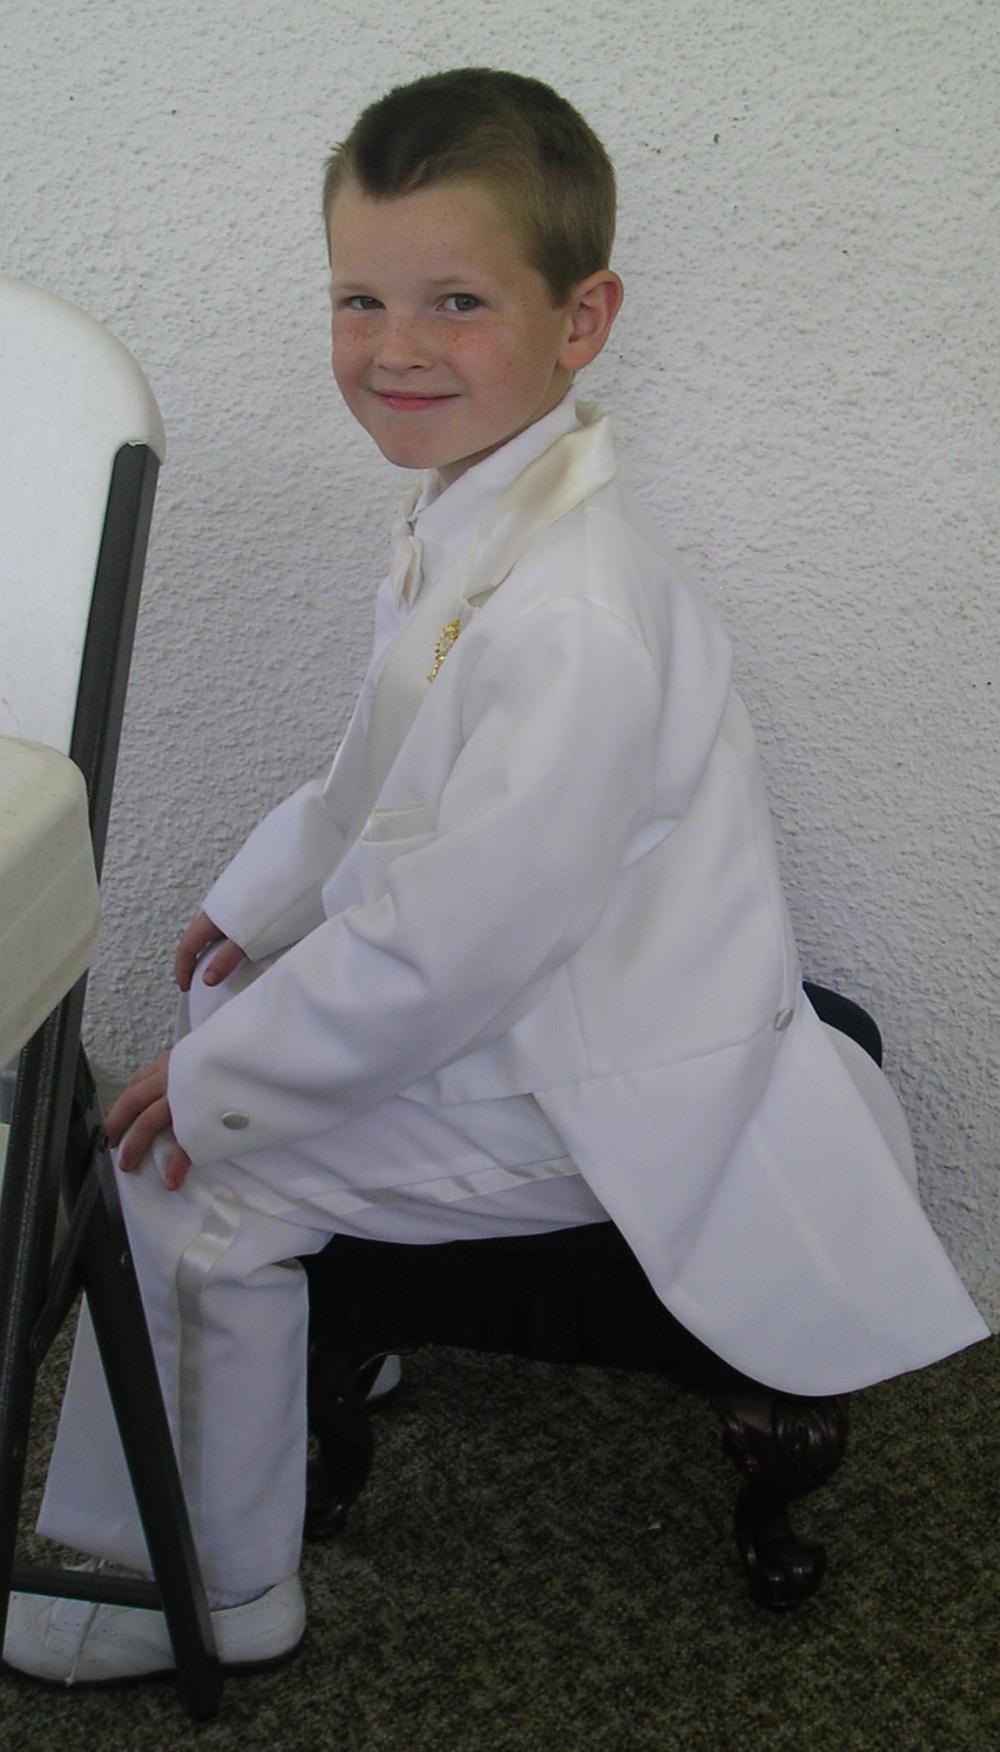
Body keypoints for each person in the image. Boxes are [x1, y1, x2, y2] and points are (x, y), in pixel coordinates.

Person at [4, 67, 987, 1687]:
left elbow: (453, 942)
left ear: (580, 318)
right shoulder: (487, 517)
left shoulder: (574, 611)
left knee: (185, 1185)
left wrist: (224, 1077)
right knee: (231, 1017)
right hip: (548, 1001)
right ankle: (286, 1378)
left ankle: (185, 1590)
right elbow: (381, 779)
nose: (397, 348)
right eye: (361, 298)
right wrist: (254, 914)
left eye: (457, 301)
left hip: (594, 1071)